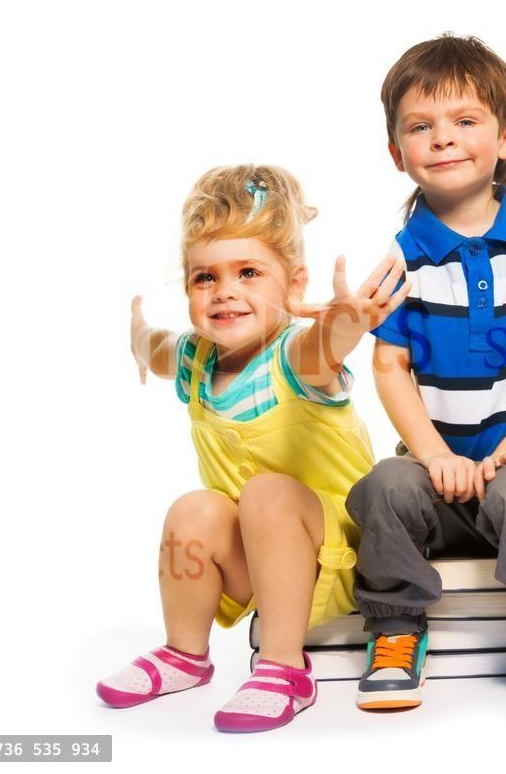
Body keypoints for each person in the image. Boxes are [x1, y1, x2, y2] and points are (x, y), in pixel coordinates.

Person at [96, 165, 407, 731]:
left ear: (293, 286)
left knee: (265, 494)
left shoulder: (296, 356)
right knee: (193, 509)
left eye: (248, 273)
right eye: (204, 278)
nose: (225, 292)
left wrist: (349, 325)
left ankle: (285, 665)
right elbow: (158, 347)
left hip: (338, 558)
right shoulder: (197, 356)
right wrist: (138, 337)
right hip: (261, 562)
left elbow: (324, 348)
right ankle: (184, 653)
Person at [346, 35, 506, 712]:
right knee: (383, 488)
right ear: (398, 154)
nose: (443, 139)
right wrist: (432, 457)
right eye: (421, 127)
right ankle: (396, 629)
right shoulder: (406, 257)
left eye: (465, 122)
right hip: (440, 472)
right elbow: (390, 365)